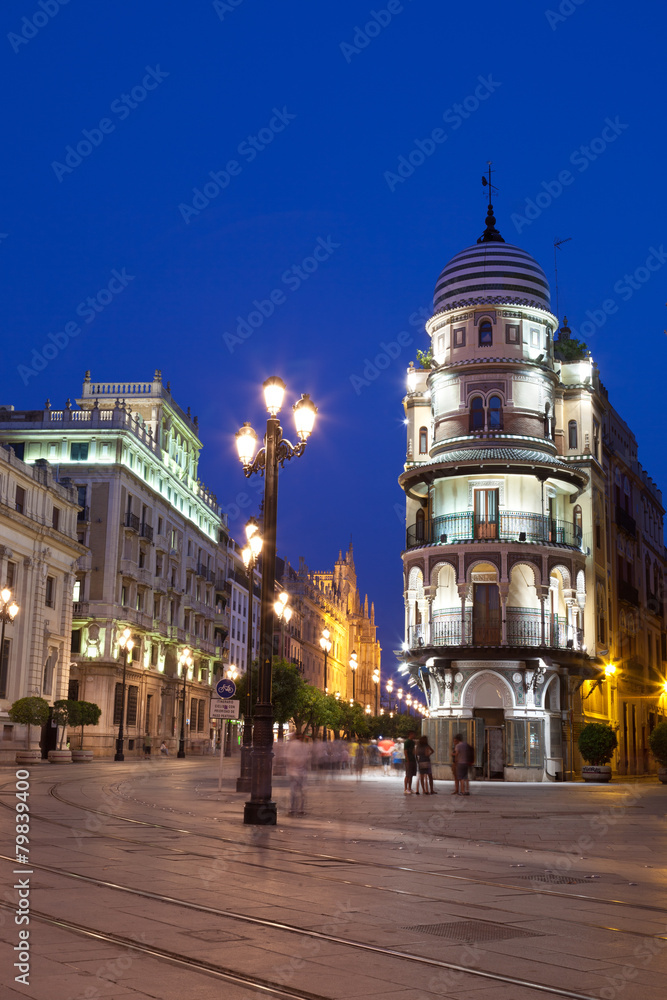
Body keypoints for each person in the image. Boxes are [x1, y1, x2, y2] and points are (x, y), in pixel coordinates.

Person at [286, 734, 310, 815]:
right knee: (302, 790)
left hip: (293, 771)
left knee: (293, 791)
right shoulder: (305, 746)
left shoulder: (292, 745)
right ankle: (301, 809)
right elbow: (307, 758)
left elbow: (289, 758)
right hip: (302, 772)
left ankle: (293, 808)